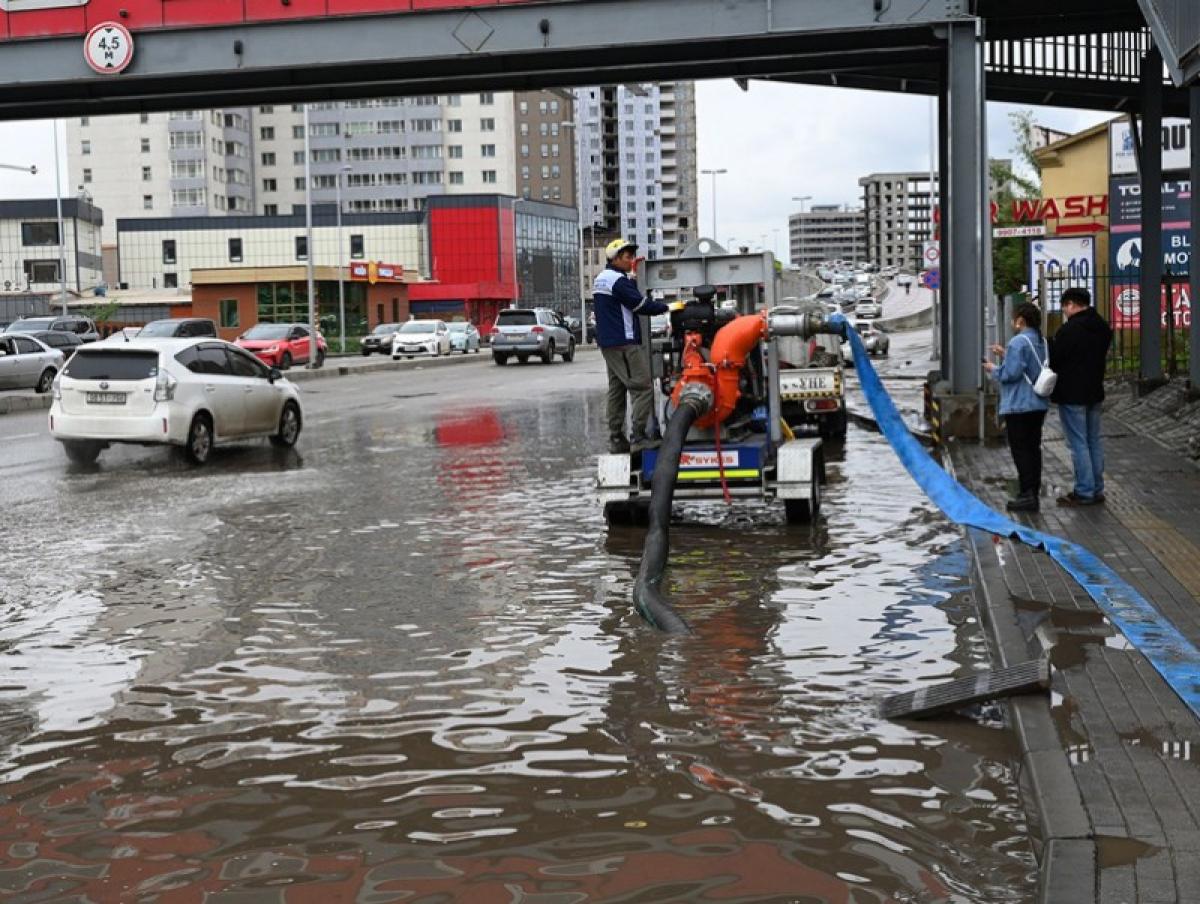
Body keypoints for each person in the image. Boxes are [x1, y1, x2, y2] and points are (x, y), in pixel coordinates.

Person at [594, 237, 676, 454]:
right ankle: (638, 437)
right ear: (615, 258)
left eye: (632, 256)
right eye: (627, 256)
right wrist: (668, 307)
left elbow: (621, 296)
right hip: (624, 343)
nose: (631, 260)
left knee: (617, 390)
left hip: (609, 344)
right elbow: (640, 305)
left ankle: (616, 438)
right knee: (643, 387)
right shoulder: (618, 281)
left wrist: (632, 277)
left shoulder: (602, 278)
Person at [1048, 286, 1113, 506]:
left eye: (1064, 307)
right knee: (1093, 441)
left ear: (1071, 304)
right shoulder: (1102, 327)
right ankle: (1097, 488)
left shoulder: (1069, 330)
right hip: (1094, 391)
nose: (1064, 311)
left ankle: (1084, 490)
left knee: (1078, 443)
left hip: (1071, 393)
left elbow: (1055, 360)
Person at [983, 301, 1050, 512]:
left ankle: (1027, 495)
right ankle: (1032, 491)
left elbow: (1010, 374)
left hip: (1019, 405)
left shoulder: (1018, 342)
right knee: (1033, 449)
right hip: (1038, 404)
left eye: (1014, 319)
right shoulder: (1041, 341)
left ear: (1020, 320)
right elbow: (1029, 364)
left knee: (1021, 451)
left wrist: (992, 368)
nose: (1013, 322)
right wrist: (1006, 354)